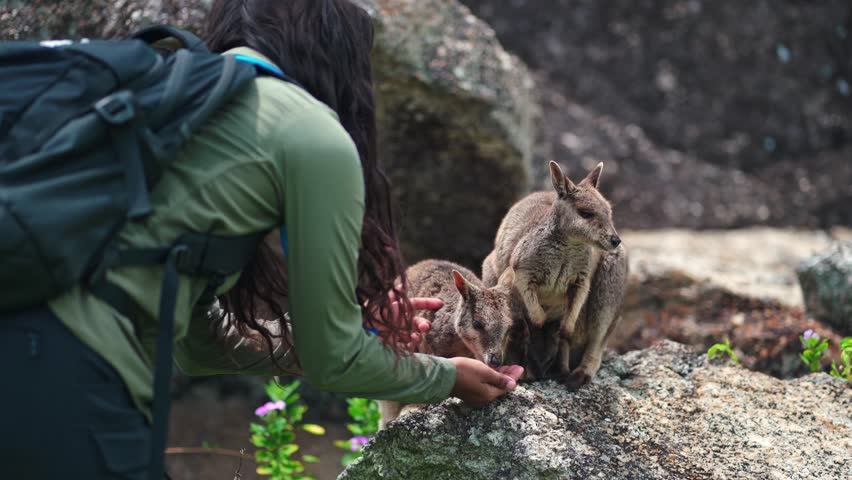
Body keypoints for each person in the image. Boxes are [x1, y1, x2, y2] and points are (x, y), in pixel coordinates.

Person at [0, 0, 523, 478]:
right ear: (338, 57)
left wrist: (341, 330)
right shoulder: (310, 133)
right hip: (63, 371)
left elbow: (198, 345)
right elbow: (334, 361)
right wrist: (445, 377)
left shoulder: (167, 102)